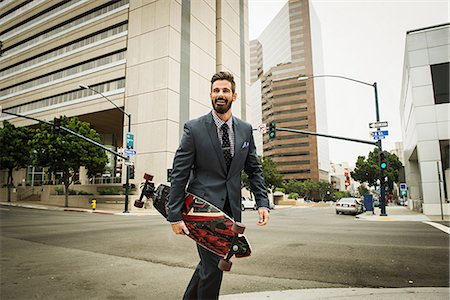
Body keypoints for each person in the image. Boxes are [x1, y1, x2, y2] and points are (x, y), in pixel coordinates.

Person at [167, 71, 270, 300]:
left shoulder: (244, 129)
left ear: (234, 96)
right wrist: (174, 214)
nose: (220, 94)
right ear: (210, 95)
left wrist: (262, 202)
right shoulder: (194, 129)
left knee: (209, 265)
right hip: (201, 210)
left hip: (231, 212)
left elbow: (254, 168)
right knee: (214, 266)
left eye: (225, 90)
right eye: (216, 91)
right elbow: (180, 173)